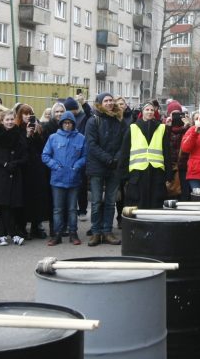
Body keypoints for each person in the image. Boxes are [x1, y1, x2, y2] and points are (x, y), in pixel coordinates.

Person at [84, 92, 127, 246]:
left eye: (111, 100)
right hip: (97, 166)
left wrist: (116, 158)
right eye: (106, 101)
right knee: (96, 202)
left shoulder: (119, 120)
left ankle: (107, 232)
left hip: (114, 167)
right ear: (100, 103)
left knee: (110, 202)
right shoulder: (93, 121)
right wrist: (108, 158)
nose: (109, 103)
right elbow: (92, 144)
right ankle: (96, 232)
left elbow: (124, 142)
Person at [0, 110, 28, 246]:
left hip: (15, 172)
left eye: (11, 119)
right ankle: (13, 234)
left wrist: (15, 163)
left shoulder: (19, 134)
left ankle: (2, 234)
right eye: (7, 120)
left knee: (11, 204)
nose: (9, 122)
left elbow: (25, 154)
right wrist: (3, 163)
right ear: (2, 121)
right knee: (4, 204)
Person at [42, 111, 86, 246]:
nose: (67, 125)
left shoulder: (81, 138)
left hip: (74, 179)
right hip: (57, 179)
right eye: (65, 123)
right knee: (58, 209)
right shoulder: (53, 138)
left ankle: (73, 233)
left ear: (73, 124)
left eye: (70, 123)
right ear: (61, 124)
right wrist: (55, 166)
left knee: (72, 209)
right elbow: (45, 155)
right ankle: (57, 235)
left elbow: (85, 156)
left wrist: (76, 166)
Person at [120, 102, 171, 210]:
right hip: (137, 173)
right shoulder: (133, 128)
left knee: (156, 204)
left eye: (152, 110)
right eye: (147, 109)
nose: (150, 112)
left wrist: (168, 175)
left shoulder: (162, 128)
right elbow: (125, 152)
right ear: (142, 112)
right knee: (137, 204)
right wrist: (124, 175)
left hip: (156, 172)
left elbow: (167, 153)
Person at [15, 103, 51, 240]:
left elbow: (43, 146)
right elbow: (19, 148)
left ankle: (37, 226)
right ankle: (22, 227)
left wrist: (36, 133)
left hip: (37, 167)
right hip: (23, 167)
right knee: (24, 197)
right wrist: (27, 135)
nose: (28, 116)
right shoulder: (17, 129)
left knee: (38, 197)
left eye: (30, 113)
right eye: (25, 113)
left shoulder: (39, 127)